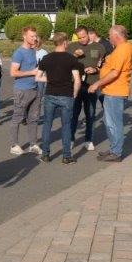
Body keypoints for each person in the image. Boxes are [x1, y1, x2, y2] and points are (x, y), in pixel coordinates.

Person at [88, 25, 132, 162]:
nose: (108, 38)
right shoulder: (128, 47)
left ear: (116, 36)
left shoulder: (122, 49)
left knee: (114, 123)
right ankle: (114, 148)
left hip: (115, 91)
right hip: (113, 90)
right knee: (109, 121)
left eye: (110, 35)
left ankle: (116, 152)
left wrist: (96, 84)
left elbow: (115, 73)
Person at [36, 33, 82, 164]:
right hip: (66, 95)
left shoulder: (46, 58)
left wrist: (51, 79)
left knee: (47, 125)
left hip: (50, 94)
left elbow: (38, 77)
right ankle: (66, 156)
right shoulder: (71, 59)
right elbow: (77, 80)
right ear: (65, 42)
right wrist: (75, 93)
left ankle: (45, 154)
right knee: (66, 126)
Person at [68, 26, 105, 151]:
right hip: (76, 85)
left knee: (90, 113)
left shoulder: (99, 47)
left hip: (92, 85)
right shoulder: (72, 47)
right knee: (74, 114)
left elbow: (103, 65)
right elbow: (66, 63)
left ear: (88, 34)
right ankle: (71, 139)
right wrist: (74, 55)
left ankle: (88, 140)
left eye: (84, 37)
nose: (82, 39)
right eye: (79, 38)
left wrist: (95, 69)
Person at [9, 27, 43, 156]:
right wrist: (32, 72)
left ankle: (33, 144)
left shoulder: (33, 50)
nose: (34, 38)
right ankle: (14, 145)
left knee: (33, 119)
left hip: (35, 88)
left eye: (35, 36)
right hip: (22, 90)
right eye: (32, 36)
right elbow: (13, 72)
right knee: (17, 118)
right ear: (24, 36)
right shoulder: (19, 53)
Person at [89, 28, 113, 110]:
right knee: (91, 98)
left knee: (101, 96)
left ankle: (108, 112)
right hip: (92, 74)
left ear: (93, 34)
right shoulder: (91, 44)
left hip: (102, 74)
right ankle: (90, 116)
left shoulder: (105, 44)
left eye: (88, 36)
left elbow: (110, 59)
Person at [33, 37, 47, 125]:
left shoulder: (44, 53)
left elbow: (47, 66)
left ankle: (36, 117)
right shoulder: (29, 51)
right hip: (29, 77)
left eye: (36, 41)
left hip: (40, 78)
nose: (35, 43)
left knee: (38, 98)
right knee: (29, 97)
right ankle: (26, 116)